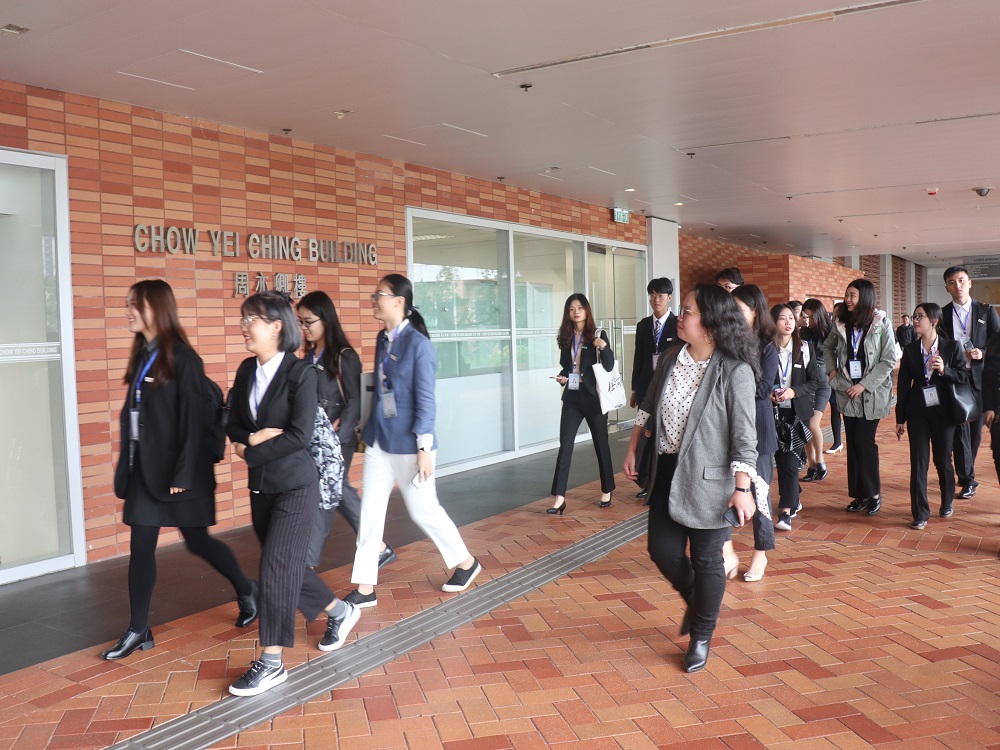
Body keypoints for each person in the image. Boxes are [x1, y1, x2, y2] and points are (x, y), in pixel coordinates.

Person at [101, 280, 258, 661]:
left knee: (197, 541)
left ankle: (246, 589)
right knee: (141, 545)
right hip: (146, 470)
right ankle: (138, 629)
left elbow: (191, 423)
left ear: (155, 309)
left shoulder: (184, 359)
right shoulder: (144, 354)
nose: (127, 311)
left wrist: (183, 475)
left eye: (134, 304)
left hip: (178, 473)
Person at [226, 291, 360, 697]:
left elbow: (300, 436)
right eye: (243, 319)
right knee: (286, 566)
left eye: (251, 320)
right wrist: (251, 439)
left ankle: (271, 663)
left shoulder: (301, 373)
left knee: (274, 569)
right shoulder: (247, 370)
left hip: (298, 487)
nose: (244, 327)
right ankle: (340, 611)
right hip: (261, 487)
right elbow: (232, 423)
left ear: (275, 327)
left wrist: (248, 450)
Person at [622, 284, 759, 673]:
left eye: (687, 312)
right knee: (662, 550)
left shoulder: (734, 371)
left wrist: (742, 488)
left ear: (711, 323)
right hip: (666, 470)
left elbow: (744, 437)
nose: (679, 318)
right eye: (681, 310)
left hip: (711, 480)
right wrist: (632, 447)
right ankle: (699, 600)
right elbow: (648, 405)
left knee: (707, 560)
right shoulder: (671, 357)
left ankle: (701, 635)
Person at [347, 274, 482, 608]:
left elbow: (426, 399)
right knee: (369, 513)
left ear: (398, 301)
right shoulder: (383, 338)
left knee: (423, 511)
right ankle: (365, 587)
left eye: (379, 294)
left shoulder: (419, 345)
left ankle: (466, 562)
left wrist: (424, 448)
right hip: (380, 442)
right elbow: (381, 389)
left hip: (411, 444)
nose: (373, 299)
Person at [296, 291, 395, 571]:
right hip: (316, 438)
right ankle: (379, 547)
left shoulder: (344, 356)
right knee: (335, 490)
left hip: (339, 439)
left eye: (308, 321)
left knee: (328, 490)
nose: (304, 328)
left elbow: (355, 399)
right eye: (300, 322)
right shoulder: (308, 355)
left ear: (325, 320)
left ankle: (307, 562)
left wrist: (339, 435)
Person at [824, 279, 896, 516]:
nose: (847, 299)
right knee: (854, 444)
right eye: (846, 294)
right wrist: (832, 372)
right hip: (847, 391)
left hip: (871, 393)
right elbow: (828, 348)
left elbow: (888, 360)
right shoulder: (841, 323)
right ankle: (859, 495)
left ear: (864, 297)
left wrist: (864, 385)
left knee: (865, 443)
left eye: (852, 295)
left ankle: (873, 493)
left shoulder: (881, 324)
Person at [895, 303, 968, 529]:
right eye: (915, 316)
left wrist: (945, 370)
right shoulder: (910, 349)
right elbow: (903, 385)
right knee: (918, 461)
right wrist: (900, 418)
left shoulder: (951, 347)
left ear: (934, 321)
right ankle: (920, 512)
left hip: (944, 412)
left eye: (921, 317)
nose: (916, 321)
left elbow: (963, 377)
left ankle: (947, 501)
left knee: (942, 459)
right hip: (917, 410)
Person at [725, 284, 777, 582]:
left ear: (755, 311)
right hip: (728, 425)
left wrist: (734, 388)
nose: (733, 314)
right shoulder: (726, 341)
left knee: (759, 492)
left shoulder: (767, 345)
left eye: (740, 309)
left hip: (758, 426)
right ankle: (726, 549)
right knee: (722, 489)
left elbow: (764, 388)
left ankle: (761, 553)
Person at [550, 293, 617, 512]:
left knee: (601, 444)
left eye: (579, 307)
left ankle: (607, 489)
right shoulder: (566, 337)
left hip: (594, 398)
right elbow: (566, 367)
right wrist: (563, 377)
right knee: (565, 445)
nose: (576, 312)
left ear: (587, 310)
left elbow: (608, 366)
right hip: (572, 397)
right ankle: (559, 496)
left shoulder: (597, 335)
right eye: (571, 309)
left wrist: (603, 346)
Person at [938, 265, 1000, 499]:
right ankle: (967, 478)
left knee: (975, 432)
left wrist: (982, 352)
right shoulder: (942, 315)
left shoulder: (986, 311)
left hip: (980, 379)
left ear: (970, 283)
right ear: (947, 287)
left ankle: (966, 469)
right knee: (959, 427)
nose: (958, 286)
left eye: (961, 280)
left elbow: (998, 344)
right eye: (952, 282)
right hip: (955, 378)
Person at [770, 304, 823, 532]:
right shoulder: (765, 349)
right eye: (782, 318)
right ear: (773, 322)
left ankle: (786, 510)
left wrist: (794, 391)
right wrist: (768, 393)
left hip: (796, 413)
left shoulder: (805, 348)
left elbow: (815, 381)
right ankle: (793, 495)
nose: (788, 322)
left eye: (791, 318)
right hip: (772, 411)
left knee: (790, 461)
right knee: (780, 461)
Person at [799, 299, 836, 473]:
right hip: (805, 383)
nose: (810, 320)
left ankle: (820, 461)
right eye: (806, 317)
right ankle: (812, 464)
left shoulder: (830, 331)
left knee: (813, 422)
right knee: (804, 423)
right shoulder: (804, 332)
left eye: (812, 317)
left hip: (822, 383)